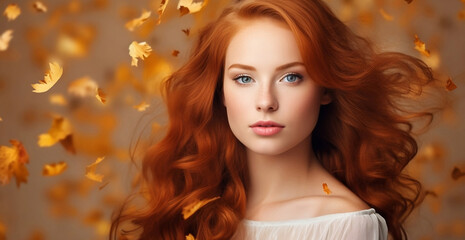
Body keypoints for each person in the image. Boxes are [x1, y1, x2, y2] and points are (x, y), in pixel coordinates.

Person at [110, 0, 441, 239]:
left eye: (291, 77)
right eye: (244, 79)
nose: (265, 102)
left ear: (326, 88)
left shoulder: (346, 224)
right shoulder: (196, 204)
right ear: (220, 92)